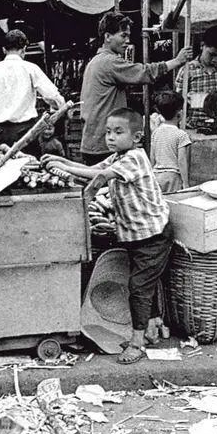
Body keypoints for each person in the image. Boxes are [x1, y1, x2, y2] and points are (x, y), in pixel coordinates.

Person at [43, 108, 172, 365]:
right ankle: (154, 328)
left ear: (136, 137)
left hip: (153, 236)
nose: (111, 137)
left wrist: (60, 164)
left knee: (138, 288)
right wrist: (62, 162)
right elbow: (89, 168)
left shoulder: (135, 158)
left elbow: (100, 176)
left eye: (118, 132)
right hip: (137, 236)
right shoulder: (118, 156)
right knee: (143, 284)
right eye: (108, 132)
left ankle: (136, 344)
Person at [80, 12, 191, 166]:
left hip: (95, 141)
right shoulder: (109, 62)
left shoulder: (96, 61)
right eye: (123, 35)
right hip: (104, 145)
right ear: (107, 37)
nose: (127, 41)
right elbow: (144, 72)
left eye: (128, 36)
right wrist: (177, 61)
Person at [0, 30, 65, 154]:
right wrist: (60, 107)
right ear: (24, 49)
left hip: (2, 133)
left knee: (6, 169)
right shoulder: (31, 68)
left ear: (4, 50)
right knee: (29, 170)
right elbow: (52, 96)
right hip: (27, 132)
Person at [174, 24, 217, 131]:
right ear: (202, 45)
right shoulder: (187, 70)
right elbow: (176, 104)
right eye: (212, 54)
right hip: (193, 128)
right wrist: (187, 99)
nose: (215, 59)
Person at [150, 91, 191, 194]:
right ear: (180, 113)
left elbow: (152, 158)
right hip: (172, 177)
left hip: (156, 175)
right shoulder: (181, 135)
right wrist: (186, 183)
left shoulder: (156, 132)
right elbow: (182, 161)